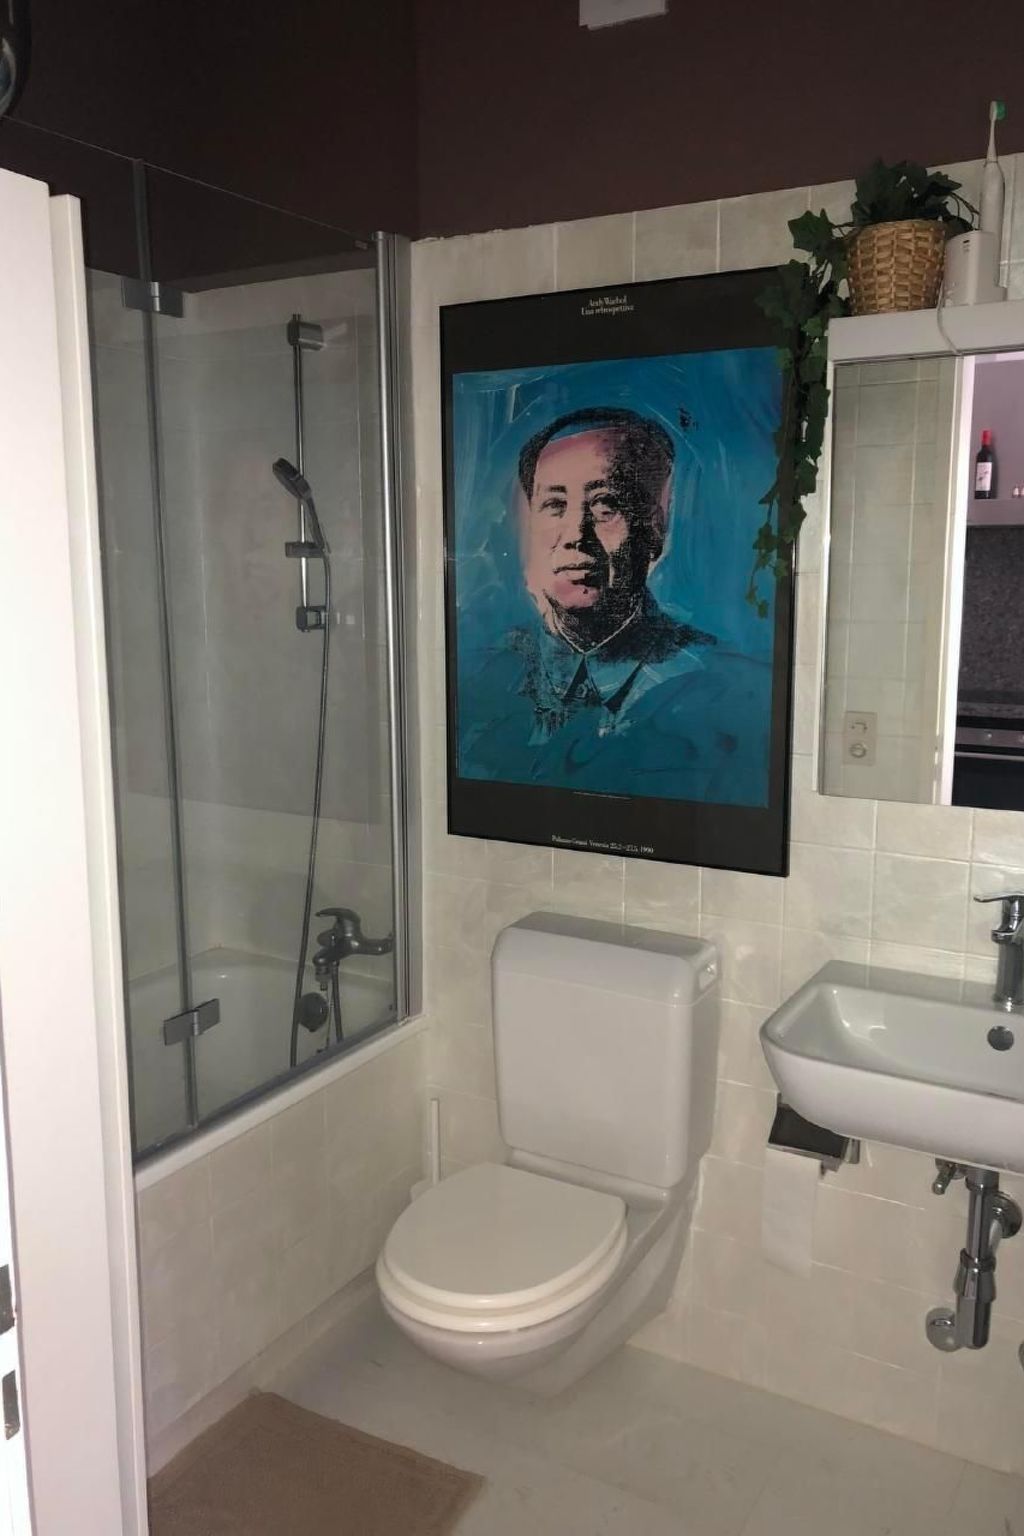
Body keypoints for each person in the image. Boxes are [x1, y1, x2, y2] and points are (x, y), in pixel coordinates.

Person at [457, 405, 772, 806]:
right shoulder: (480, 681)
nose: (576, 535)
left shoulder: (733, 697)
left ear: (655, 527)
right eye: (554, 505)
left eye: (605, 506)